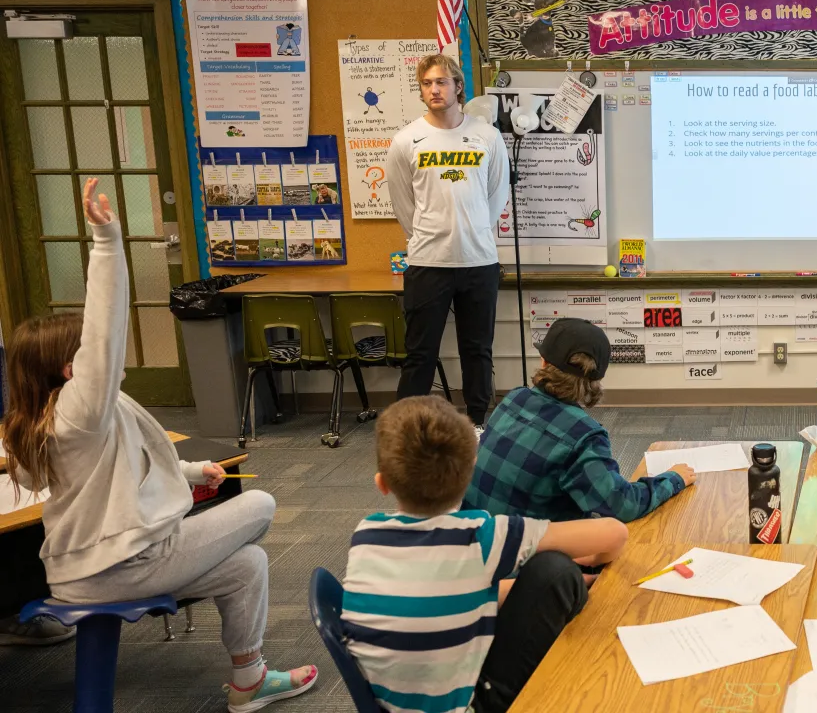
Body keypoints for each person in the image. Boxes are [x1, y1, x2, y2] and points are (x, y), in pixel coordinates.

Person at [2, 178, 316, 710]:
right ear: (72, 369)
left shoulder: (44, 420)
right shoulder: (81, 411)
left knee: (248, 565)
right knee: (260, 504)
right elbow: (104, 328)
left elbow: (121, 465)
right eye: (91, 357)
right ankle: (224, 637)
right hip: (122, 566)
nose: (107, 358)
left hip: (86, 572)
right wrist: (107, 242)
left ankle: (250, 680)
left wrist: (190, 473)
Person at [343, 395, 627, 713]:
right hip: (465, 706)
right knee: (556, 570)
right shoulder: (481, 536)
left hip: (389, 702)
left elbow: (440, 591)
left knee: (537, 577)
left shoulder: (365, 534)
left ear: (382, 483)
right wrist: (587, 563)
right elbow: (615, 533)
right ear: (470, 473)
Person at [465, 318, 697, 523]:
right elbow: (623, 505)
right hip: (522, 549)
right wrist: (673, 479)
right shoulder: (583, 436)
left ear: (544, 362)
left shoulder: (513, 398)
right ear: (596, 380)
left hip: (471, 534)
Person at [386, 53, 510, 428]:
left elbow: (496, 196)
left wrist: (473, 231)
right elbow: (403, 204)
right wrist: (429, 235)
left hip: (479, 261)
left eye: (441, 82)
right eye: (427, 83)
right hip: (428, 263)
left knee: (478, 350)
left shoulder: (487, 137)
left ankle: (477, 423)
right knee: (420, 353)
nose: (434, 89)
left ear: (458, 86)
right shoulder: (406, 140)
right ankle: (407, 428)